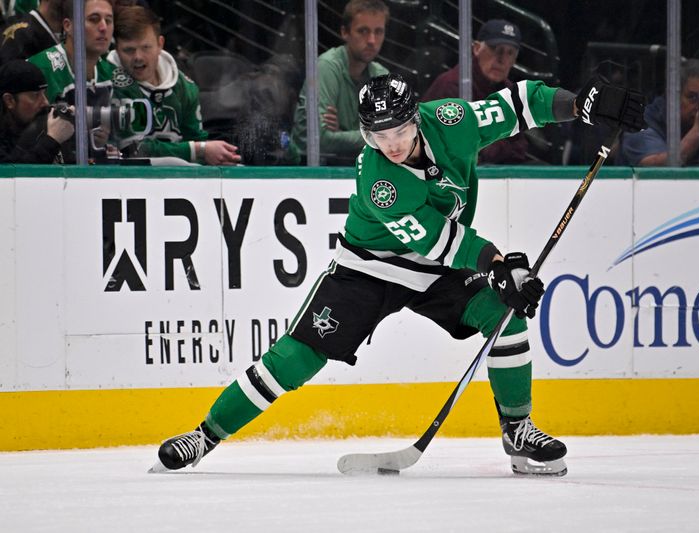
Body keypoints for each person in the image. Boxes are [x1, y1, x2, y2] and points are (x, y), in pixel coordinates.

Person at [150, 72, 644, 476]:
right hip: (368, 270)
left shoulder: (449, 120)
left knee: (504, 314)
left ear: (417, 120)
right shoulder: (379, 178)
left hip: (435, 271)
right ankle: (205, 434)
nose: (390, 144)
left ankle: (518, 431)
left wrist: (579, 103)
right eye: (377, 135)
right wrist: (498, 264)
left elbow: (518, 104)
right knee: (297, 358)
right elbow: (437, 239)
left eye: (399, 132)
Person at [107, 5, 240, 165]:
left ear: (160, 44)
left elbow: (197, 141)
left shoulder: (184, 88)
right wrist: (199, 150)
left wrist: (216, 157)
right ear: (117, 49)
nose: (138, 57)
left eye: (146, 47)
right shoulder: (110, 82)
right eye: (129, 50)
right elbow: (136, 149)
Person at [422, 19, 546, 165]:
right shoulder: (451, 85)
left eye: (510, 53)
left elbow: (519, 148)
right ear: (476, 49)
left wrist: (489, 147)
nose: (501, 60)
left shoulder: (511, 92)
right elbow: (456, 147)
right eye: (495, 49)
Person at [289, 0, 389, 164]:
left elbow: (395, 137)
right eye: (363, 31)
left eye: (378, 32)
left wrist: (341, 133)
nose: (372, 40)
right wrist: (374, 135)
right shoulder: (327, 67)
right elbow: (317, 140)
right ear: (345, 32)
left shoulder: (381, 75)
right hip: (315, 172)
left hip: (362, 169)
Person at [26, 0, 116, 162]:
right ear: (68, 26)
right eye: (94, 19)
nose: (103, 28)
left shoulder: (110, 72)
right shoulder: (42, 68)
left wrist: (103, 143)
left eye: (108, 20)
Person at [0, 58, 73, 162]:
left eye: (44, 93)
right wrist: (52, 141)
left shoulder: (41, 128)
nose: (46, 102)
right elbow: (14, 174)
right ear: (9, 100)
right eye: (35, 95)